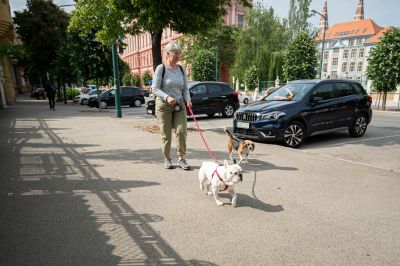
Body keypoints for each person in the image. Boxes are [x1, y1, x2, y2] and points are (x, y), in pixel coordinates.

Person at [152, 42, 192, 170]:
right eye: (175, 54)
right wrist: (167, 97)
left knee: (181, 131)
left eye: (179, 54)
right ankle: (167, 158)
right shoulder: (161, 68)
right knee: (166, 133)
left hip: (179, 104)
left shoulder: (181, 69)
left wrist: (188, 99)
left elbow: (185, 87)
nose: (178, 56)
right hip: (164, 105)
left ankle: (181, 158)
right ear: (168, 54)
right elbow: (155, 88)